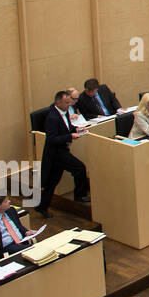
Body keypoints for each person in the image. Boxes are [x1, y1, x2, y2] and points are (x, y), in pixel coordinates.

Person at [38, 89, 91, 218]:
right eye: (67, 102)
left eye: (70, 102)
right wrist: (70, 136)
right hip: (56, 153)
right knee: (79, 168)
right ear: (58, 102)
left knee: (53, 181)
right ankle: (79, 195)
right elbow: (52, 139)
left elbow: (66, 127)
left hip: (61, 150)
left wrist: (76, 129)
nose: (70, 105)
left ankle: (41, 206)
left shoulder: (64, 111)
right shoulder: (52, 117)